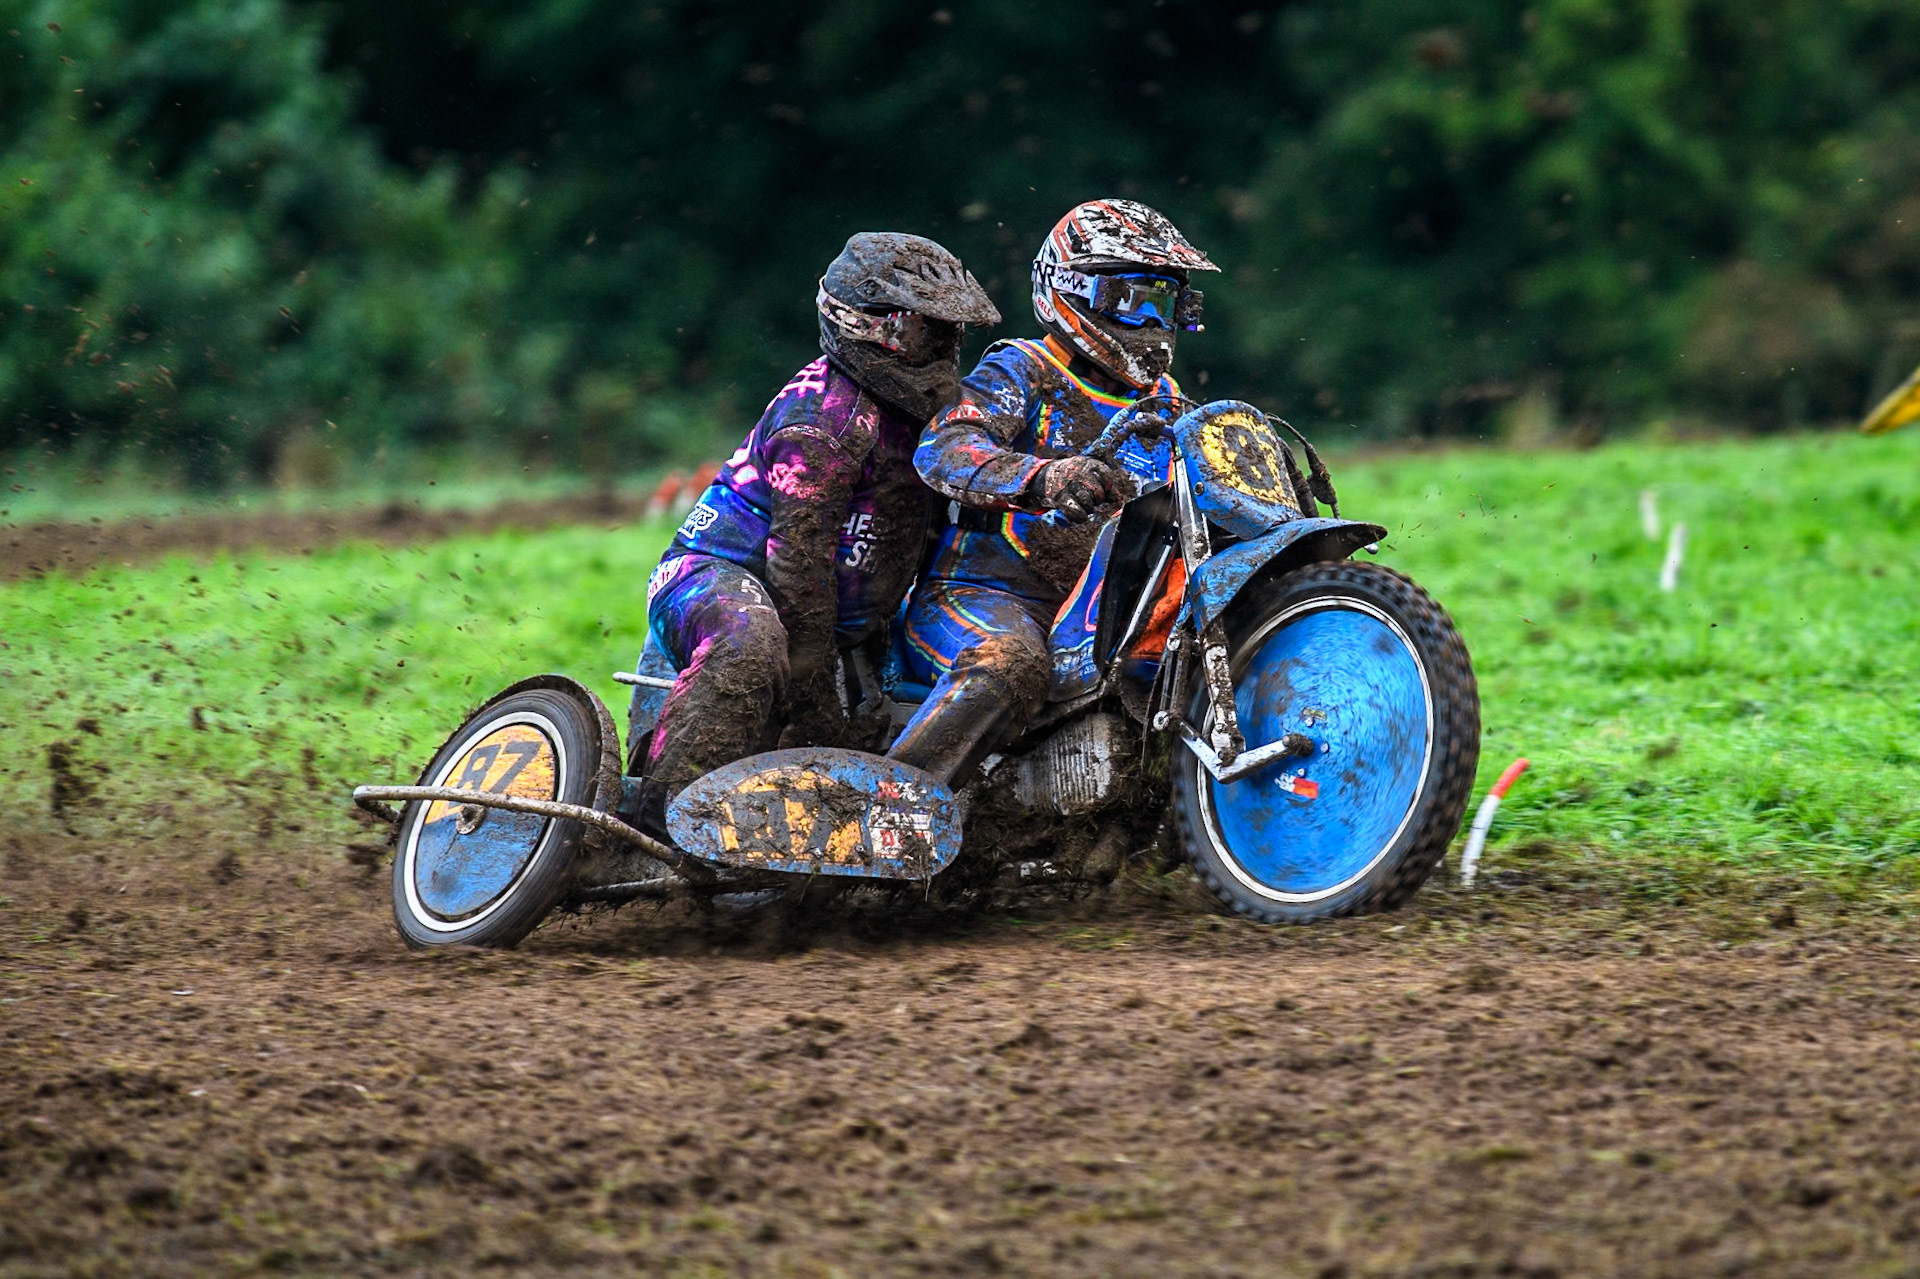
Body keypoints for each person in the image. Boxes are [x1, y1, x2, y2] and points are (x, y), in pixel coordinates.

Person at [634, 233, 999, 827]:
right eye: (919, 333)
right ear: (862, 326)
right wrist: (815, 699)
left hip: (834, 615)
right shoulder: (823, 420)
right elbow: (797, 566)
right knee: (753, 651)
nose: (936, 353)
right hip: (719, 580)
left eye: (946, 335)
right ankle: (656, 821)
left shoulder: (934, 417)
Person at [887, 199, 1217, 786]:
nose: (1149, 323)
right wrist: (1042, 477)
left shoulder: (1167, 400)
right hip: (982, 594)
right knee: (1010, 663)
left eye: (1164, 304)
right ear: (1072, 288)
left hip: (1101, 610)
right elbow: (945, 447)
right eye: (1133, 300)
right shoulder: (1023, 367)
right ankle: (882, 813)